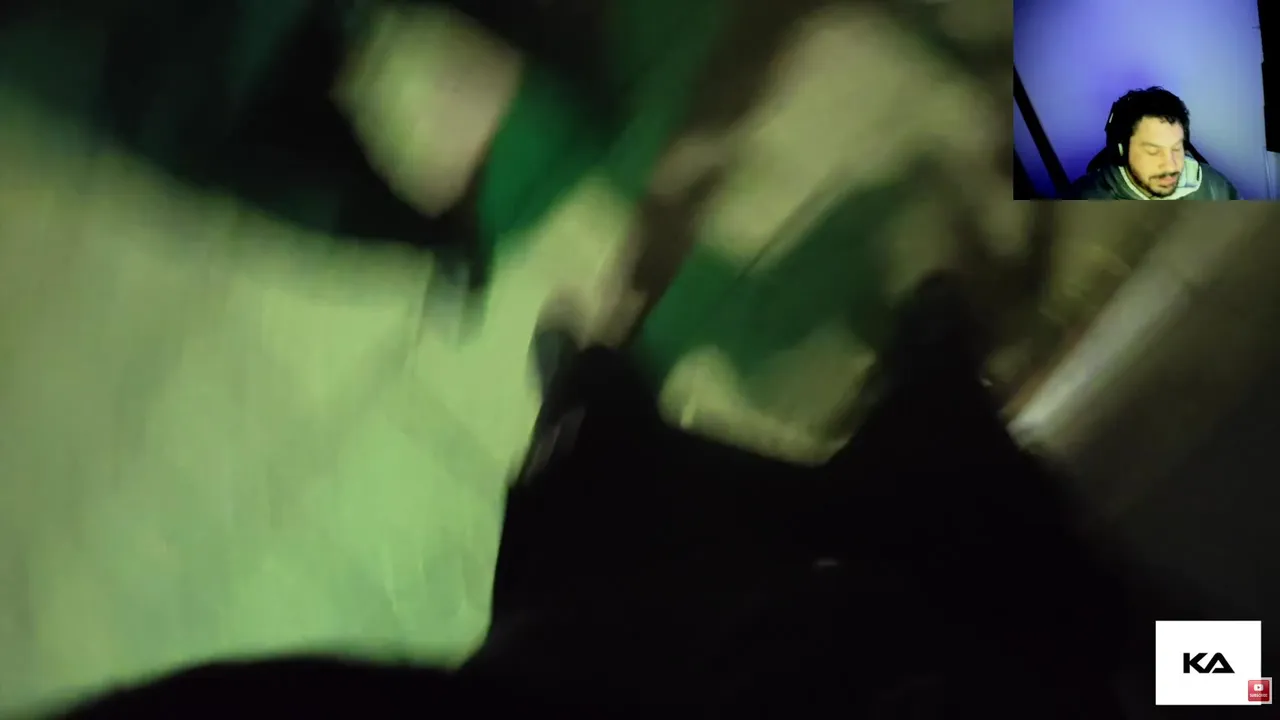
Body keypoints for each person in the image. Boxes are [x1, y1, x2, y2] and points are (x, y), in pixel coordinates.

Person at [61, 276, 1149, 718]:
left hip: (626, 636)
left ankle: (595, 393)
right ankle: (926, 381)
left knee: (595, 470)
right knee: (1029, 563)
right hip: (957, 631)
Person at [1071, 87, 1239, 200]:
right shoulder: (1082, 199)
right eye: (1153, 151)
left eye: (1176, 148)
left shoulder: (1214, 186)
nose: (1171, 166)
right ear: (1121, 150)